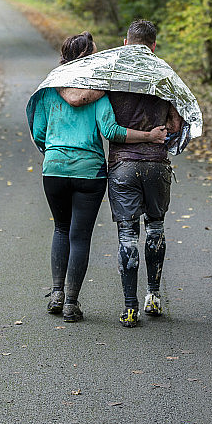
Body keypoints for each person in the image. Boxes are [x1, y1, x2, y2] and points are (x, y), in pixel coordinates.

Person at [30, 31, 167, 323]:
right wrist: (148, 136)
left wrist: (55, 152)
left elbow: (38, 132)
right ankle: (71, 303)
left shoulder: (48, 89)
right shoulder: (97, 91)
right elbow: (110, 131)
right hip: (89, 172)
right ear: (88, 58)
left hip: (53, 169)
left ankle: (57, 294)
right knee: (80, 236)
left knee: (60, 229)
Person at [56, 20, 184, 328]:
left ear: (125, 44)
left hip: (122, 166)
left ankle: (130, 308)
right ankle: (154, 296)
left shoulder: (113, 75)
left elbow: (83, 101)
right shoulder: (165, 75)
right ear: (154, 46)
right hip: (156, 164)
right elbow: (176, 125)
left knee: (127, 236)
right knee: (155, 229)